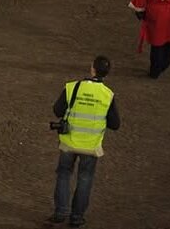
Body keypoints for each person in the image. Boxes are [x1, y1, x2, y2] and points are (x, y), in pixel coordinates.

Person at [48, 56, 120, 227]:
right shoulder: (108, 95)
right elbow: (115, 124)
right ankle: (77, 217)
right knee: (85, 179)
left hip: (69, 142)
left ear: (92, 68)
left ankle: (60, 213)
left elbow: (57, 110)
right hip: (90, 145)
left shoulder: (72, 87)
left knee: (64, 174)